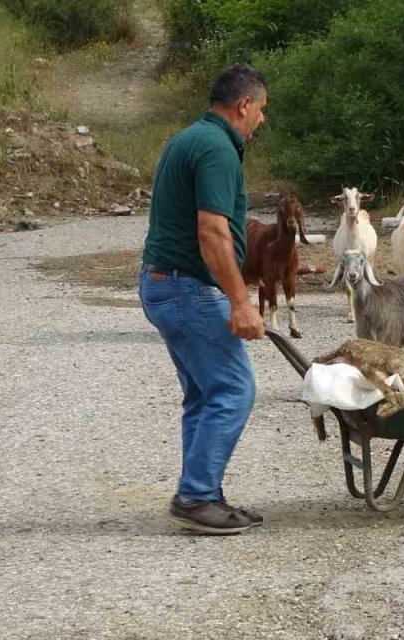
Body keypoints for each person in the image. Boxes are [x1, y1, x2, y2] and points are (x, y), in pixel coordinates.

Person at [138, 64, 269, 534]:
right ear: (244, 105)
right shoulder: (216, 148)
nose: (262, 120)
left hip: (167, 283)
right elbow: (212, 231)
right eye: (262, 109)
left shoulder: (192, 137)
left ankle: (201, 494)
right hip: (186, 288)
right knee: (233, 389)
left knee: (204, 394)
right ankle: (196, 497)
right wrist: (241, 303)